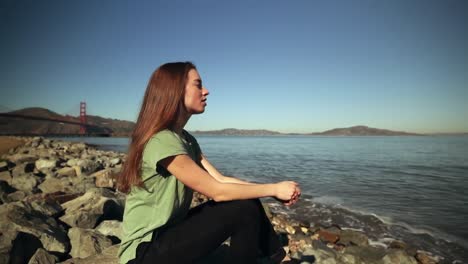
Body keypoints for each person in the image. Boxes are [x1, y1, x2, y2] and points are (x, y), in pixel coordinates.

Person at [117, 62, 301, 264]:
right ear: (175, 90)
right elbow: (217, 191)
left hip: (168, 236)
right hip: (143, 252)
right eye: (198, 85)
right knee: (241, 209)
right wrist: (273, 189)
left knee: (248, 200)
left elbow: (221, 179)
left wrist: (272, 192)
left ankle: (279, 259)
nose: (206, 91)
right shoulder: (162, 140)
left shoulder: (185, 139)